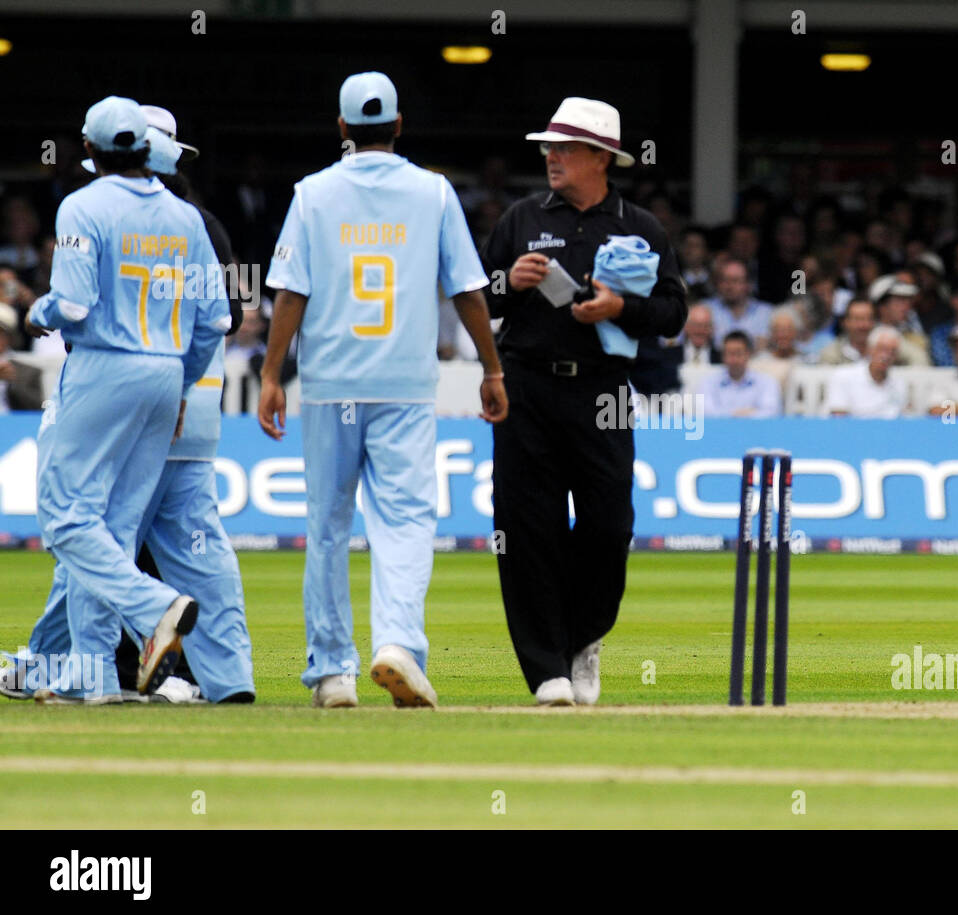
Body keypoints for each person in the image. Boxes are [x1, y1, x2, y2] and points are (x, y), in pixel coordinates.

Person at [260, 72, 507, 709]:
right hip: (403, 384)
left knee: (327, 525)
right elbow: (467, 290)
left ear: (341, 129)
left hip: (329, 383)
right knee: (403, 522)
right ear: (399, 126)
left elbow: (291, 291)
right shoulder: (434, 192)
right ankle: (397, 641)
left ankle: (334, 672)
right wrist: (492, 368)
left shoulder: (312, 193)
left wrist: (269, 374)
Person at [24, 96, 230, 703]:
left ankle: (156, 605)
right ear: (146, 147)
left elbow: (74, 306)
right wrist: (184, 381)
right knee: (112, 530)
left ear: (89, 149)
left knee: (65, 518)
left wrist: (38, 312)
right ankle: (92, 678)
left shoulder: (81, 205)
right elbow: (214, 322)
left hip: (104, 368)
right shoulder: (184, 216)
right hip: (167, 374)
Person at [480, 96, 685, 705]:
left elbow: (674, 312)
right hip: (527, 384)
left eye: (563, 148)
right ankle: (547, 671)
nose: (550, 156)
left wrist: (620, 308)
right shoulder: (520, 217)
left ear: (600, 157)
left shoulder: (640, 227)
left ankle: (584, 638)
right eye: (548, 147)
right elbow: (478, 296)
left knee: (609, 524)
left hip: (603, 388)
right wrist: (508, 283)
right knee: (525, 527)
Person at [825, 326, 907, 418]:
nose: (886, 356)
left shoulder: (898, 383)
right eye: (882, 349)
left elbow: (900, 420)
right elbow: (838, 419)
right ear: (870, 349)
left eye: (893, 351)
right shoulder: (843, 376)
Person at [698, 330, 781, 418]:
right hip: (719, 431)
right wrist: (740, 414)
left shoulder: (767, 382)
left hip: (756, 431)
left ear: (748, 354)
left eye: (738, 353)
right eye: (730, 354)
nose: (734, 360)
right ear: (723, 356)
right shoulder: (708, 382)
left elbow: (772, 412)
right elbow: (704, 412)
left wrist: (729, 414)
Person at [706, 257, 772, 351]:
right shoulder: (705, 311)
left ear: (748, 284)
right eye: (725, 280)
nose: (729, 286)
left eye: (735, 280)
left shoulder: (767, 313)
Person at [0, 303, 43, 411]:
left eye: (0, 333)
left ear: (10, 337)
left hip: (16, 426)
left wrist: (12, 383)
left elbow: (39, 408)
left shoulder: (29, 371)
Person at [816, 297, 874, 365]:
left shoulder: (883, 350)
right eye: (857, 319)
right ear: (846, 322)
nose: (862, 325)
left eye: (868, 319)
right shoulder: (830, 354)